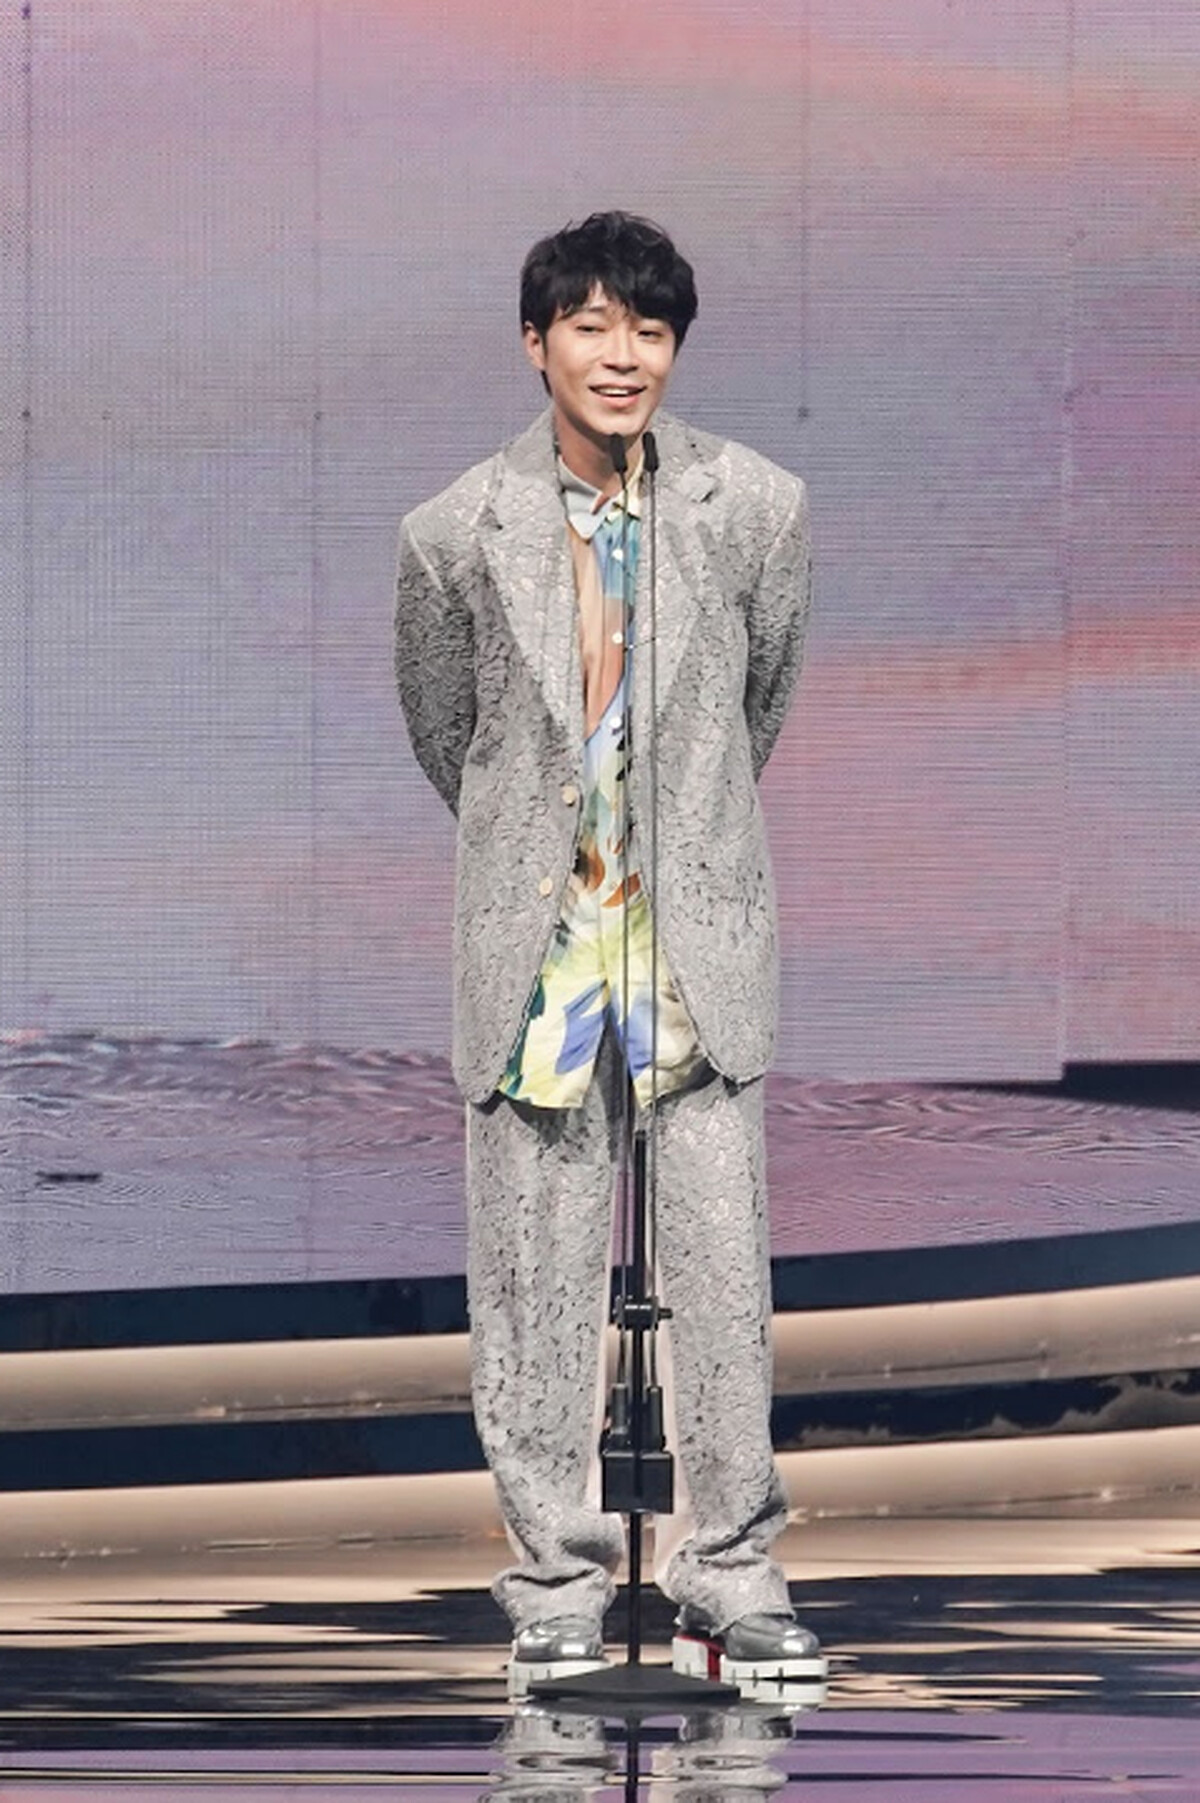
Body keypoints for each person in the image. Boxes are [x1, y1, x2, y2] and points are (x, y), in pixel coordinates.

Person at [394, 211, 822, 1690]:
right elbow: (451, 740)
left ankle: (732, 1573)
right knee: (533, 1286)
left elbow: (756, 712)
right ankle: (554, 1582)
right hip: (545, 953)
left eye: (648, 328)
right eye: (590, 325)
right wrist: (551, 862)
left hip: (696, 946)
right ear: (537, 344)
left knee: (724, 1282)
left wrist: (681, 854)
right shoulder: (455, 533)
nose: (622, 354)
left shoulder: (754, 506)